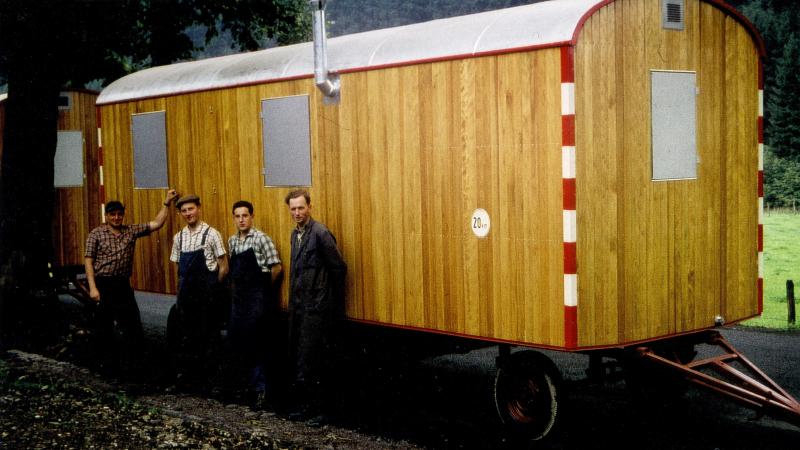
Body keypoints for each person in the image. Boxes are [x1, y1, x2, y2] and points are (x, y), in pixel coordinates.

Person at [84, 189, 178, 371]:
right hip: (103, 284)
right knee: (103, 328)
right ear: (107, 216)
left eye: (119, 214)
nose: (117, 218)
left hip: (122, 286)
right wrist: (93, 288)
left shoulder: (131, 231)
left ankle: (134, 367)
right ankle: (104, 367)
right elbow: (88, 262)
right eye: (113, 214)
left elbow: (157, 223)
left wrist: (166, 202)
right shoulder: (96, 234)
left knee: (132, 326)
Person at [285, 189, 346, 426]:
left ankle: (322, 412)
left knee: (316, 359)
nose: (297, 213)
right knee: (301, 359)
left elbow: (339, 269)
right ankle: (306, 408)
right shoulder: (295, 235)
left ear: (309, 206)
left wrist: (328, 304)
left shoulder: (320, 233)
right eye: (293, 209)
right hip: (299, 308)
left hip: (317, 311)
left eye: (301, 207)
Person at [167, 194, 228, 386]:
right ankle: (189, 379)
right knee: (187, 337)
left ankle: (211, 381)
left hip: (206, 297)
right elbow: (178, 267)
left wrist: (212, 289)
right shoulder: (179, 237)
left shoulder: (212, 234)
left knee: (210, 337)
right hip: (186, 297)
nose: (188, 214)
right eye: (184, 211)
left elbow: (224, 266)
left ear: (198, 208)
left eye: (191, 209)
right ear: (180, 213)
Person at [226, 200, 282, 407]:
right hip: (239, 301)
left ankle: (262, 392)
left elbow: (276, 268)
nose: (241, 219)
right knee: (238, 344)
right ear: (234, 218)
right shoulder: (232, 241)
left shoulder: (261, 239)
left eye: (245, 215)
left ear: (252, 216)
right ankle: (243, 390)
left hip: (258, 300)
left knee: (258, 345)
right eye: (237, 216)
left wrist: (264, 292)